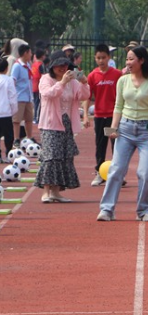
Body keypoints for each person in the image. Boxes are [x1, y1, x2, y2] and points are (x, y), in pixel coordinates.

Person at [97, 46, 148, 222]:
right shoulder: (122, 80)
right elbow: (118, 106)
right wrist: (113, 128)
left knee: (146, 172)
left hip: (146, 131)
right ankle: (107, 209)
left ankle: (145, 210)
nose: (128, 63)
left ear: (142, 61)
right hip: (125, 129)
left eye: (131, 59)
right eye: (127, 59)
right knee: (116, 169)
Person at [34, 51, 90, 203]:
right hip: (50, 124)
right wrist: (62, 82)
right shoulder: (46, 79)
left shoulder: (72, 81)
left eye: (65, 65)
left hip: (67, 124)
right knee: (51, 156)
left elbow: (83, 96)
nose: (62, 68)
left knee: (65, 157)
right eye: (58, 65)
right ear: (52, 67)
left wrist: (84, 82)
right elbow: (48, 94)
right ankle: (46, 191)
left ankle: (56, 192)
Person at [83, 44, 123, 187]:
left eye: (104, 58)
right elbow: (87, 97)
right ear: (95, 58)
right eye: (98, 58)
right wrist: (86, 115)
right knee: (100, 145)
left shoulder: (117, 74)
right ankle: (100, 173)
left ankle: (117, 174)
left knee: (115, 145)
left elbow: (122, 95)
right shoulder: (93, 76)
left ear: (109, 57)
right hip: (99, 116)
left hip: (113, 117)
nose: (101, 61)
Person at [10, 43, 35, 146]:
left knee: (29, 118)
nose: (31, 54)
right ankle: (16, 138)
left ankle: (29, 137)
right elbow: (13, 81)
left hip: (28, 96)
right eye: (30, 52)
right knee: (17, 119)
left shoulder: (28, 65)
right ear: (25, 53)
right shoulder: (17, 66)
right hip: (19, 97)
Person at [0, 57, 18, 162]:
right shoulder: (9, 80)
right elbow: (12, 97)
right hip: (6, 112)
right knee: (8, 136)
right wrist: (13, 111)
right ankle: (8, 154)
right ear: (7, 68)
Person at [31, 47, 47, 124]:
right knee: (39, 104)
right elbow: (43, 76)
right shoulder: (41, 65)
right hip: (39, 86)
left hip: (33, 85)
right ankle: (36, 118)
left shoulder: (33, 64)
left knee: (36, 103)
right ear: (42, 56)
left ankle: (35, 117)